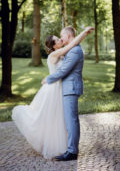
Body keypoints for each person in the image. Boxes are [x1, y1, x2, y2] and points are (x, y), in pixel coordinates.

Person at [12, 26, 94, 160]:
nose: (61, 39)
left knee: (68, 120)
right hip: (56, 88)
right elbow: (63, 66)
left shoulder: (71, 51)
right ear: (54, 45)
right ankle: (67, 148)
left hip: (66, 88)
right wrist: (84, 33)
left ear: (68, 36)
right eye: (58, 39)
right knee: (58, 118)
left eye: (61, 37)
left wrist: (84, 33)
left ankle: (72, 150)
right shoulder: (57, 53)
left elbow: (65, 67)